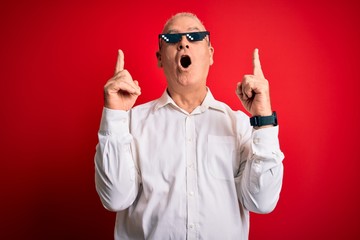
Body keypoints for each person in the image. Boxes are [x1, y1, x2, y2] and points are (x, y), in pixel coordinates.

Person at [94, 12, 284, 240]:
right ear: (160, 58)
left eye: (194, 36)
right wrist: (115, 116)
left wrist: (263, 120)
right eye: (172, 39)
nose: (184, 42)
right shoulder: (130, 122)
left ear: (210, 54)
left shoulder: (241, 125)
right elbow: (115, 197)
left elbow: (261, 202)